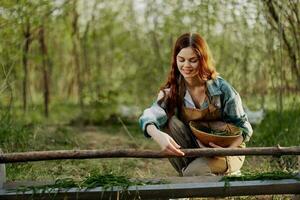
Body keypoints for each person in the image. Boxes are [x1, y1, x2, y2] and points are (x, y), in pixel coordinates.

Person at [139, 32, 253, 176]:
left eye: (193, 60)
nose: (186, 65)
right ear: (175, 60)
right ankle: (194, 174)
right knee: (169, 121)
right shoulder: (173, 90)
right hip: (196, 149)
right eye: (181, 59)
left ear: (203, 60)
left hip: (228, 150)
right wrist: (157, 135)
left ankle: (222, 175)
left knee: (192, 173)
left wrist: (225, 150)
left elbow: (244, 128)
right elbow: (150, 114)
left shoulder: (222, 89)